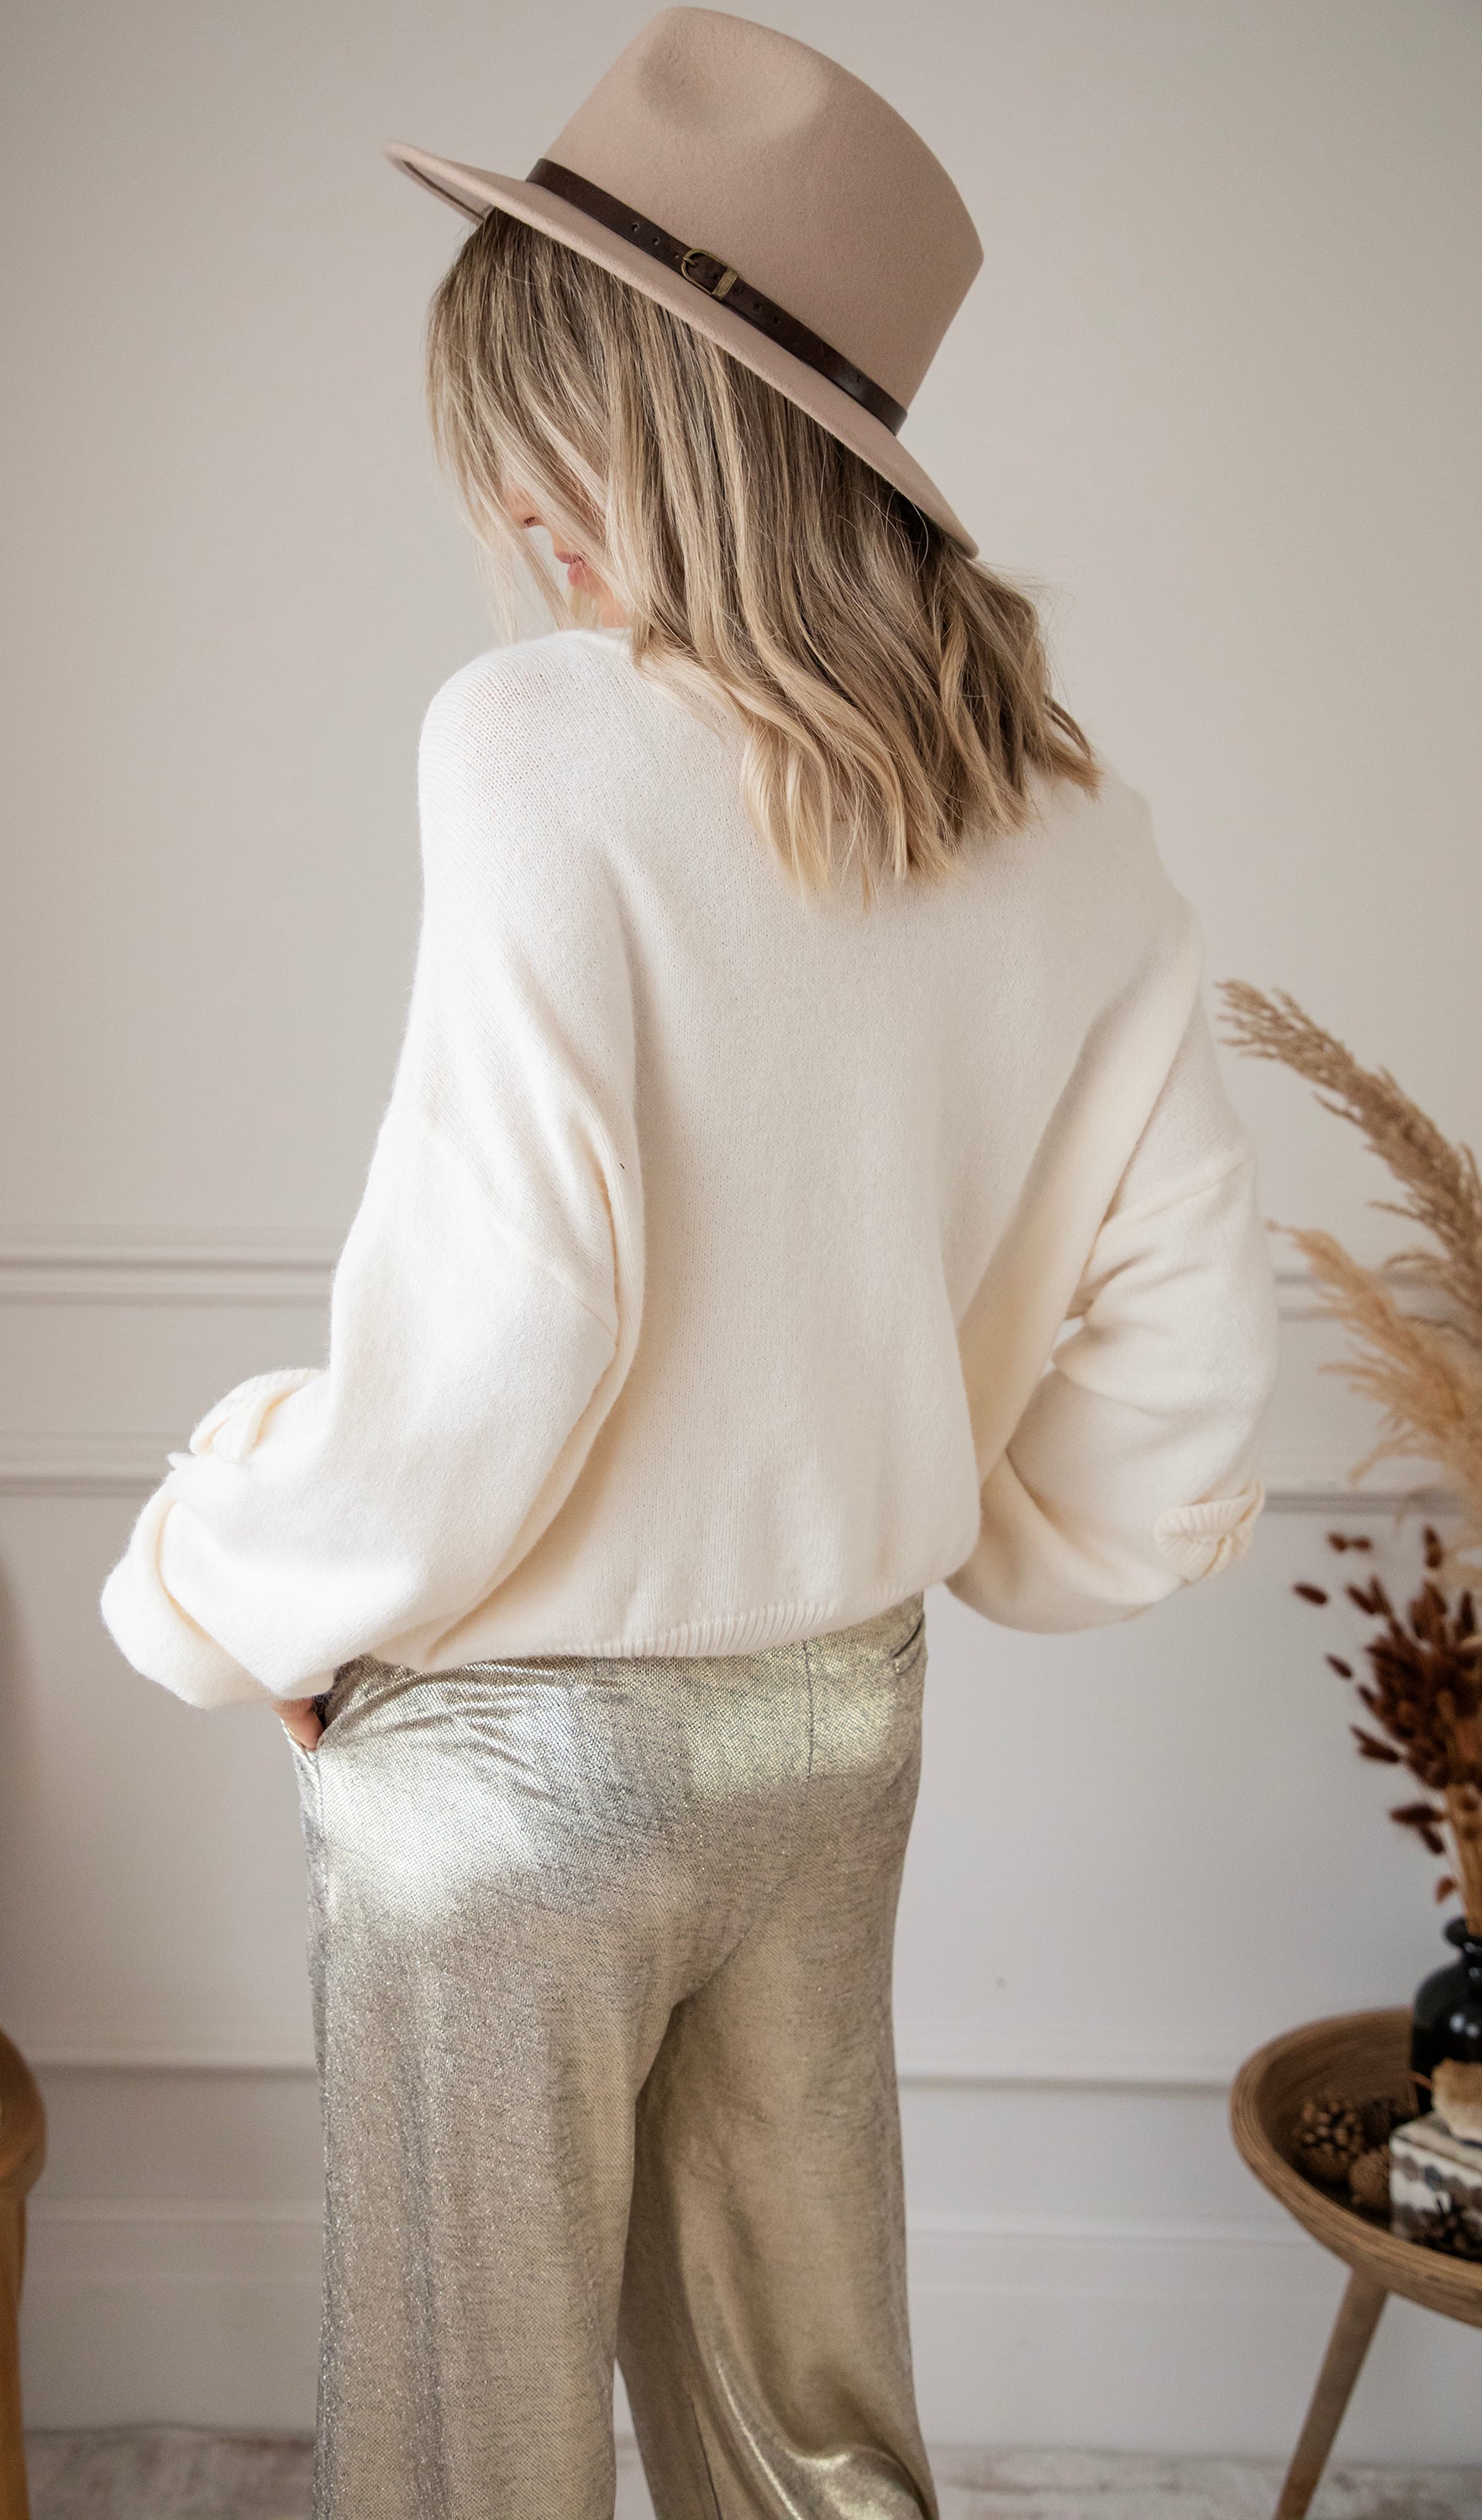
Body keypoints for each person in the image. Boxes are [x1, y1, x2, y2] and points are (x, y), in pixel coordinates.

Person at [100, 11, 1280, 2515]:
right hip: (838, 1726)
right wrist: (943, 1506)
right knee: (813, 2434)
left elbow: (506, 1319)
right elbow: (1184, 1352)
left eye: (533, 447)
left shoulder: (534, 741)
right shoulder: (1070, 820)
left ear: (637, 437)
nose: (522, 526)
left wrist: (230, 1585)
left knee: (472, 2463)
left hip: (510, 1773)